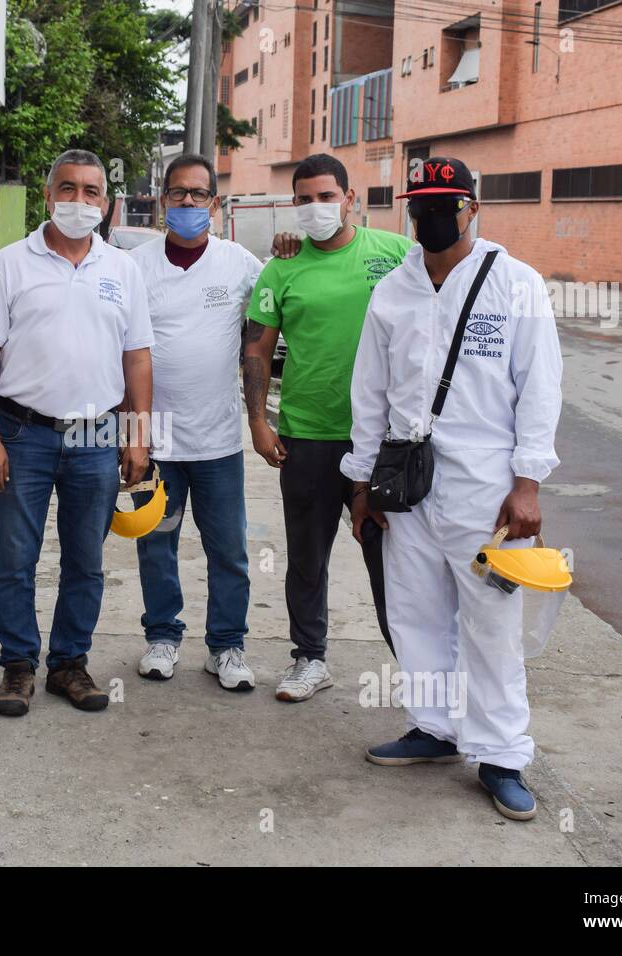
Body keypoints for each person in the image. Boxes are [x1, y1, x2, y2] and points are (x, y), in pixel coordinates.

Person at [344, 156, 563, 821]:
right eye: (422, 205)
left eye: (447, 204)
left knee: (490, 623)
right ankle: (435, 728)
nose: (433, 217)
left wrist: (527, 484)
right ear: (410, 210)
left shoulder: (516, 284)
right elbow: (369, 393)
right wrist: (361, 484)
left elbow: (540, 390)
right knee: (415, 612)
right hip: (406, 484)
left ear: (474, 207)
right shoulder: (394, 290)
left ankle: (501, 754)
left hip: (485, 489)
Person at [0, 148, 154, 717]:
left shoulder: (122, 269)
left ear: (107, 202)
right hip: (22, 436)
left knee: (85, 561)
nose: (78, 201)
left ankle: (69, 664)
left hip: (95, 438)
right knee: (16, 558)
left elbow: (139, 359)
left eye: (90, 192)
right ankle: (19, 666)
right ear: (47, 196)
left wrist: (137, 434)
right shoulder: (9, 264)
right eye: (67, 189)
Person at [243, 154, 410, 702]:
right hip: (308, 435)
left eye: (326, 196)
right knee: (307, 558)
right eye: (305, 199)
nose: (316, 208)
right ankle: (309, 659)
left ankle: (416, 666)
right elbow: (257, 350)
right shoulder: (281, 268)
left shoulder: (396, 255)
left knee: (392, 561)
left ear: (350, 198)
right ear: (293, 205)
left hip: (385, 440)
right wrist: (259, 424)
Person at [125, 153, 262, 690]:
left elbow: (271, 317)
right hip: (155, 443)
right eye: (177, 193)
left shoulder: (240, 264)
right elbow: (122, 351)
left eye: (197, 194)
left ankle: (227, 647)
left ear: (215, 203)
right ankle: (162, 636)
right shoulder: (135, 266)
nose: (187, 203)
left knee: (228, 548)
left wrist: (289, 252)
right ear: (163, 201)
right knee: (156, 543)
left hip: (218, 441)